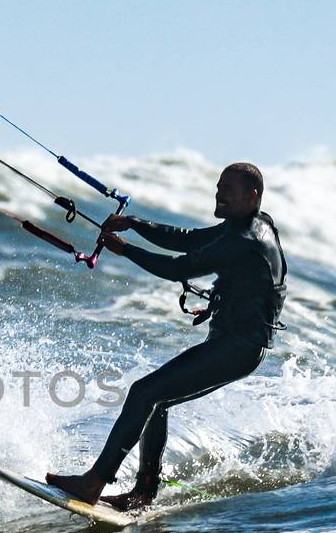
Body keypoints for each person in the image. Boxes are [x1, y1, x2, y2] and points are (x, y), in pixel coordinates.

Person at [45, 162, 287, 511]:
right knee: (155, 402)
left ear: (252, 196)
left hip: (238, 347)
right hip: (235, 343)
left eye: (227, 191)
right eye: (218, 187)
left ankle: (93, 482)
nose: (219, 195)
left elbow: (179, 267)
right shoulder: (251, 224)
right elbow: (190, 240)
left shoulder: (246, 240)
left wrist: (126, 249)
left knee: (144, 392)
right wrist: (135, 224)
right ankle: (143, 493)